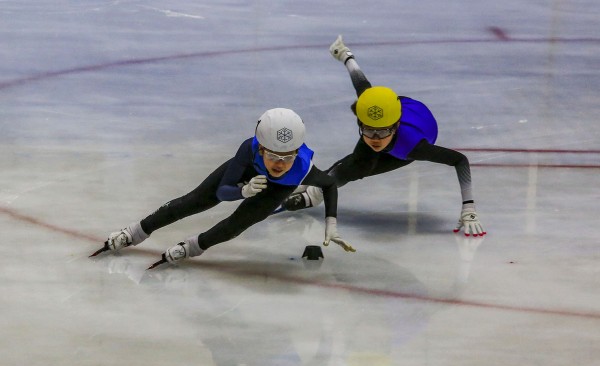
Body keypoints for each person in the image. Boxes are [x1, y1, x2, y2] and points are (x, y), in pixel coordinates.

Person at [90, 108, 355, 267]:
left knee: (236, 225)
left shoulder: (302, 167)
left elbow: (330, 184)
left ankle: (192, 247)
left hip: (278, 190)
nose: (280, 164)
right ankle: (135, 232)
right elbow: (221, 192)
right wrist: (242, 191)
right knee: (193, 202)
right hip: (246, 177)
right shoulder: (248, 150)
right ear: (261, 149)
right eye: (273, 156)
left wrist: (331, 223)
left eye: (288, 158)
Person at [281, 35, 486, 237]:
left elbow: (460, 160)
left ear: (395, 126)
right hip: (394, 120)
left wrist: (468, 207)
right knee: (352, 166)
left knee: (359, 167)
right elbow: (362, 84)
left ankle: (313, 194)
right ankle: (313, 190)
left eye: (383, 132)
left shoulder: (413, 146)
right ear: (361, 124)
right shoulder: (372, 112)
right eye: (369, 131)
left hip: (409, 138)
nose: (376, 139)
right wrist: (345, 55)